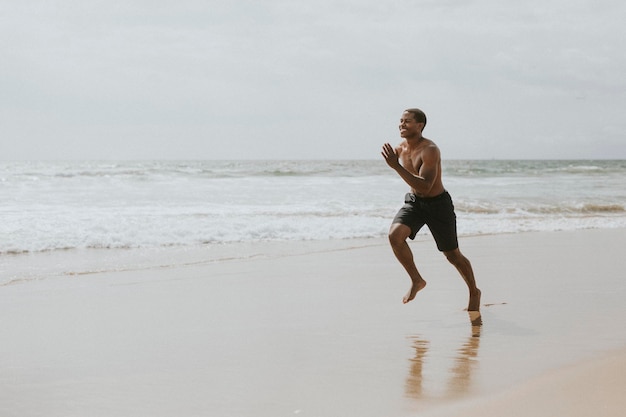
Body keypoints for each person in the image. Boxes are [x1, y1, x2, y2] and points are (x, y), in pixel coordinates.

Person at [381, 108, 481, 311]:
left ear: (420, 125)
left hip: (438, 204)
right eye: (400, 121)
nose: (402, 124)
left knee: (452, 255)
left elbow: (425, 185)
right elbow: (403, 166)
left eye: (407, 121)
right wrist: (394, 160)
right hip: (415, 203)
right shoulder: (401, 147)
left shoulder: (430, 150)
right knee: (394, 235)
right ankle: (416, 280)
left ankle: (474, 291)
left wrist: (396, 167)